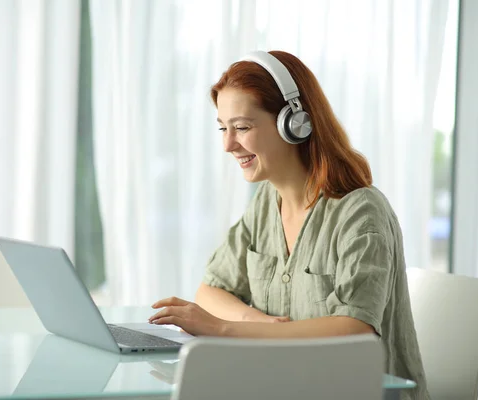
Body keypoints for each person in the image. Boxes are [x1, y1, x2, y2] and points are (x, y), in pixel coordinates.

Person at [148, 50, 428, 399]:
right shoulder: (266, 202)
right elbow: (211, 290)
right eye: (223, 128)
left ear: (295, 124)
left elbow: (353, 328)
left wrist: (222, 329)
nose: (228, 144)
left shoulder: (361, 211)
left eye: (242, 127)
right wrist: (255, 322)